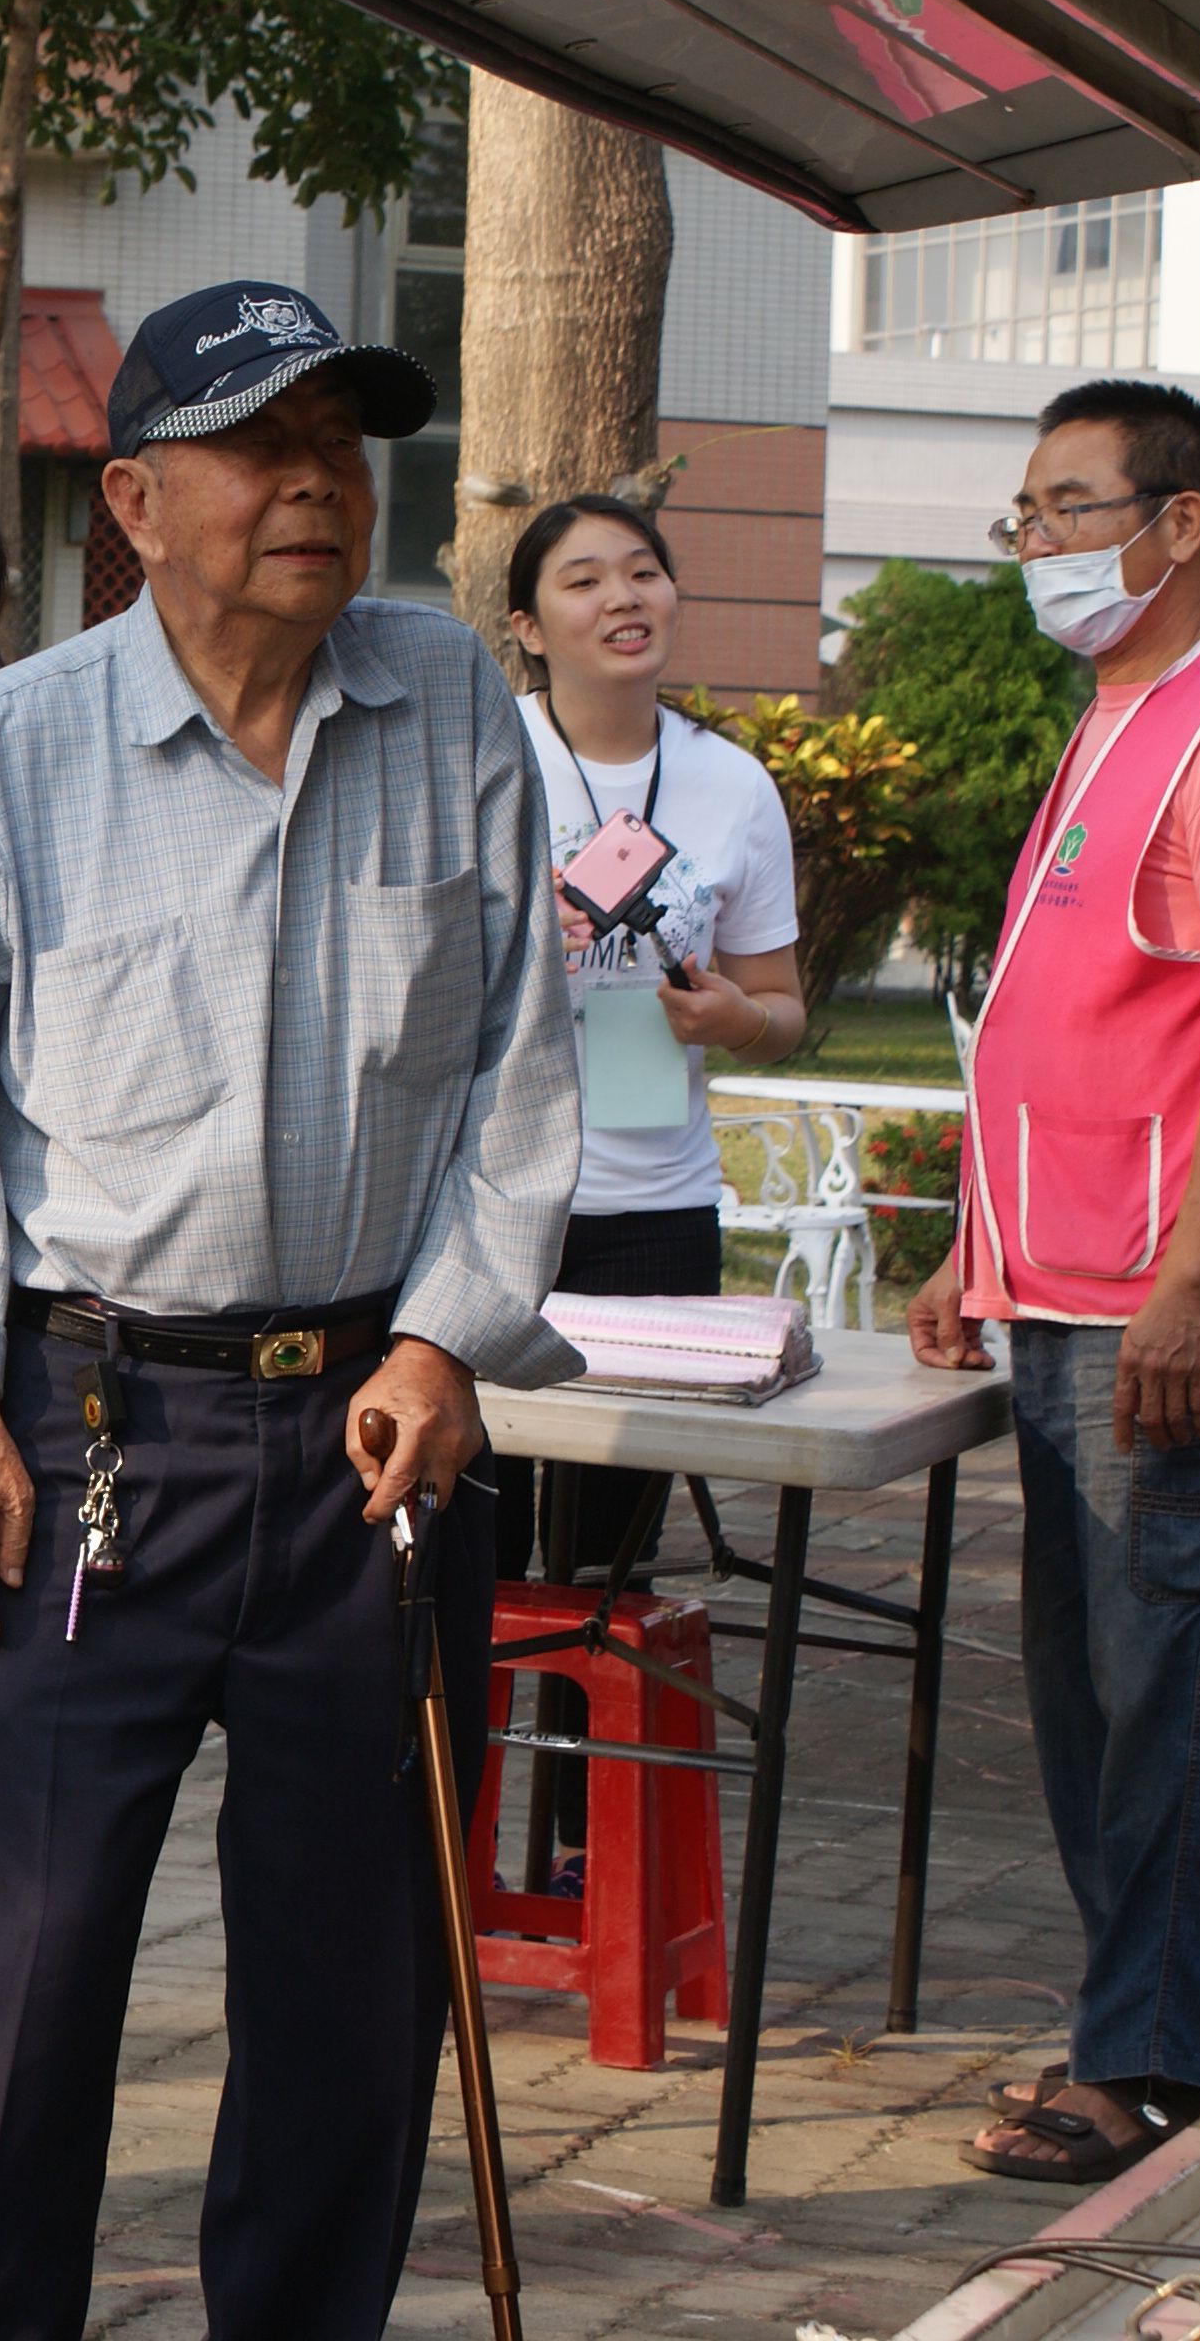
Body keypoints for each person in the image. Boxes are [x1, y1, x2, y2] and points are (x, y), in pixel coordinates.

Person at [0, 279, 582, 2341]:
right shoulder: (24, 740)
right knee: (13, 2003)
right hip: (79, 1437)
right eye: (264, 447)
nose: (317, 488)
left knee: (356, 2007)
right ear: (136, 499)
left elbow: (526, 1071)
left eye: (341, 447)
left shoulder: (449, 704)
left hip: (376, 1430)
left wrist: (447, 1335)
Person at [910, 381, 1200, 2185]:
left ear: (1175, 526)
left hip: (1163, 1318)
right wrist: (976, 1241)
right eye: (1025, 508)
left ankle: (1159, 2064)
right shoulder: (1121, 718)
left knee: (1166, 1682)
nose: (1039, 540)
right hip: (1063, 1290)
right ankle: (1143, 2029)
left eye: (1072, 506)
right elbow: (1066, 1016)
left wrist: (1189, 1287)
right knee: (1096, 1689)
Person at [493, 495, 806, 1876]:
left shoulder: (732, 786)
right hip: (496, 1206)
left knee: (607, 1565)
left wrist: (732, 1017)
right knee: (472, 1548)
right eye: (583, 578)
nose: (624, 596)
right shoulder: (484, 753)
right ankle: (443, 1849)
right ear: (527, 624)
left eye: (645, 572)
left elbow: (790, 1007)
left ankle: (570, 1844)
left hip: (657, 1212)